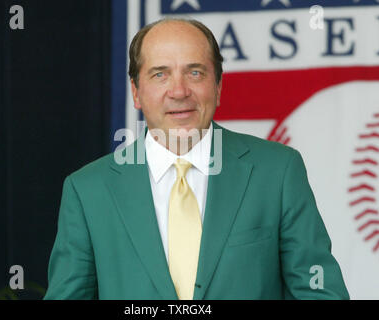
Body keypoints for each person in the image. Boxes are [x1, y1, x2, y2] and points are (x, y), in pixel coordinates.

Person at [44, 18, 349, 300]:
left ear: (217, 87)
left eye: (195, 72)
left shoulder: (278, 171)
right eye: (160, 74)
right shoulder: (88, 191)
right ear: (136, 92)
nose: (178, 91)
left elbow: (320, 293)